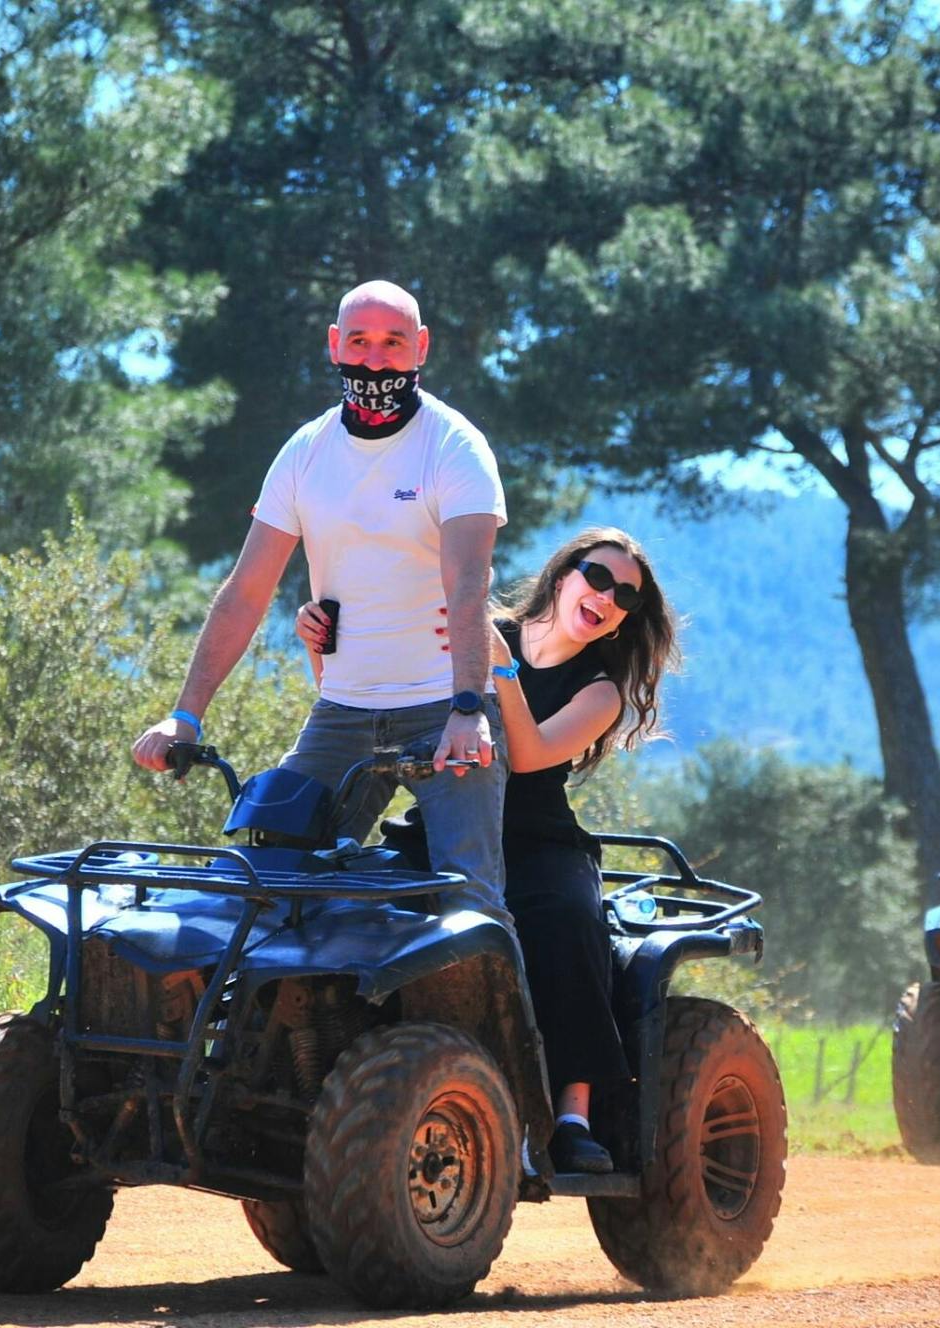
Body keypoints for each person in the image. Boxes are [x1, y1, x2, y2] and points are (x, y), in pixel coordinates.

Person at [298, 526, 679, 1175]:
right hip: (441, 819)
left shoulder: (598, 690)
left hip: (537, 838)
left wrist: (495, 667)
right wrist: (321, 649)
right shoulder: (480, 623)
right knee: (351, 902)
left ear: (623, 620)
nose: (607, 596)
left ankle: (570, 1114)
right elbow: (377, 699)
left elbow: (526, 757)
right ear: (563, 576)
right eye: (597, 576)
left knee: (565, 920)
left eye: (625, 596)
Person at [132, 279, 510, 922]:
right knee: (264, 878)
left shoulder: (455, 446)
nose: (374, 359)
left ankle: (500, 1025)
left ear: (420, 349)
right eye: (359, 341)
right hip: (342, 713)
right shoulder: (306, 451)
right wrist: (184, 718)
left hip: (444, 712)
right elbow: (247, 590)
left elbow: (468, 582)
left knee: (468, 902)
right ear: (335, 344)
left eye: (393, 344)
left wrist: (469, 706)